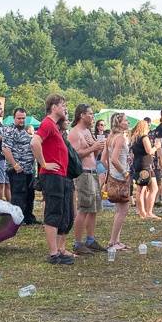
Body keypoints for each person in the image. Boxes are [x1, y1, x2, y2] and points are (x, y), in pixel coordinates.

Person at [32, 94, 74, 265]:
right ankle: (53, 254)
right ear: (54, 107)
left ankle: (57, 250)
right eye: (63, 105)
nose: (65, 108)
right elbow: (34, 142)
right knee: (53, 212)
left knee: (61, 212)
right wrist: (44, 164)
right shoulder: (47, 123)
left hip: (59, 176)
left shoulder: (54, 126)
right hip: (52, 176)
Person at [67, 103, 107, 253]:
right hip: (83, 173)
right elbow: (75, 155)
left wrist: (98, 149)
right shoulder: (75, 133)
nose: (92, 116)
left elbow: (92, 154)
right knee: (84, 208)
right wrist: (93, 148)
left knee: (93, 208)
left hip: (93, 171)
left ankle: (90, 240)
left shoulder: (88, 132)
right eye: (90, 113)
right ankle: (78, 243)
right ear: (81, 115)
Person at [2, 108, 38, 225]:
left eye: (23, 118)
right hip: (17, 169)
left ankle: (28, 217)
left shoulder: (24, 131)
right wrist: (15, 165)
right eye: (19, 118)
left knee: (30, 194)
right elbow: (6, 149)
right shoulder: (10, 130)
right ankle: (17, 219)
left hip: (28, 169)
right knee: (18, 195)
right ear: (14, 118)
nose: (21, 120)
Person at [104, 113, 131, 251]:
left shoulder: (110, 137)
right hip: (120, 178)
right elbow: (114, 159)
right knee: (123, 210)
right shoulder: (120, 138)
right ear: (119, 123)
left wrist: (110, 173)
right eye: (126, 120)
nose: (128, 122)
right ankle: (113, 241)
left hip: (113, 176)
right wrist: (124, 172)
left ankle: (116, 240)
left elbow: (104, 159)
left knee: (119, 210)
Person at [129, 120, 160, 219]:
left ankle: (144, 212)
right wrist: (156, 147)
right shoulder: (144, 137)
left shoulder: (135, 138)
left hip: (140, 164)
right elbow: (149, 151)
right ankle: (146, 212)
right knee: (142, 190)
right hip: (145, 165)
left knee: (150, 188)